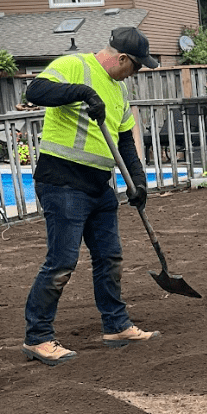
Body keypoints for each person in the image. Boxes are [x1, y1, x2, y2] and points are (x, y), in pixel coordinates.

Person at [20, 27, 161, 366]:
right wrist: (81, 92)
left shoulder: (120, 90)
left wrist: (138, 182)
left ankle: (116, 326)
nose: (137, 71)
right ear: (123, 58)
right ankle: (38, 337)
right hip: (63, 182)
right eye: (137, 65)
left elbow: (124, 141)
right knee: (62, 262)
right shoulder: (74, 65)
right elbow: (35, 90)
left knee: (110, 257)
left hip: (99, 186)